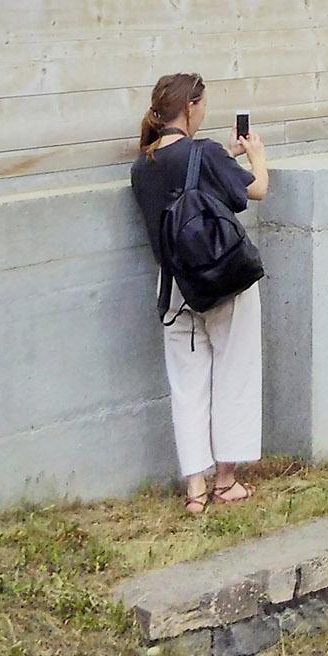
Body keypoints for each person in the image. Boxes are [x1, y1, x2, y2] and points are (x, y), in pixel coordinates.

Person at [130, 73, 270, 515]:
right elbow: (257, 189)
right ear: (190, 107)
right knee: (234, 373)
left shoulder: (142, 165)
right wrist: (256, 156)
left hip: (175, 290)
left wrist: (222, 157)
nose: (205, 111)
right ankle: (225, 482)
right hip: (223, 281)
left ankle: (195, 488)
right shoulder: (204, 153)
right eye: (203, 104)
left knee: (187, 386)